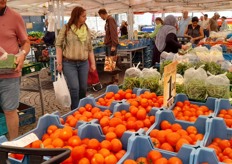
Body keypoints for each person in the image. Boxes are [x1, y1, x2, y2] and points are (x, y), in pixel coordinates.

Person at [0, 0, 30, 140]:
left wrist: (22, 55)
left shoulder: (15, 17)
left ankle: (13, 146)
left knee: (10, 111)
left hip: (10, 74)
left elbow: (25, 43)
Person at [55, 6, 96, 110]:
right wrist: (59, 63)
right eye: (83, 16)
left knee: (83, 88)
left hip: (83, 63)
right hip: (69, 63)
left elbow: (90, 48)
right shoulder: (67, 28)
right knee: (74, 88)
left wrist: (93, 63)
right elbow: (58, 45)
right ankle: (74, 111)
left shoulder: (86, 29)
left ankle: (82, 109)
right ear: (76, 16)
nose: (85, 18)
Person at [98, 8, 120, 84]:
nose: (101, 18)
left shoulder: (110, 19)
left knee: (112, 62)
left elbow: (114, 32)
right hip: (108, 44)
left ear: (102, 14)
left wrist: (114, 45)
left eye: (101, 16)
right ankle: (112, 80)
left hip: (111, 45)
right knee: (110, 64)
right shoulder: (108, 20)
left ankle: (116, 80)